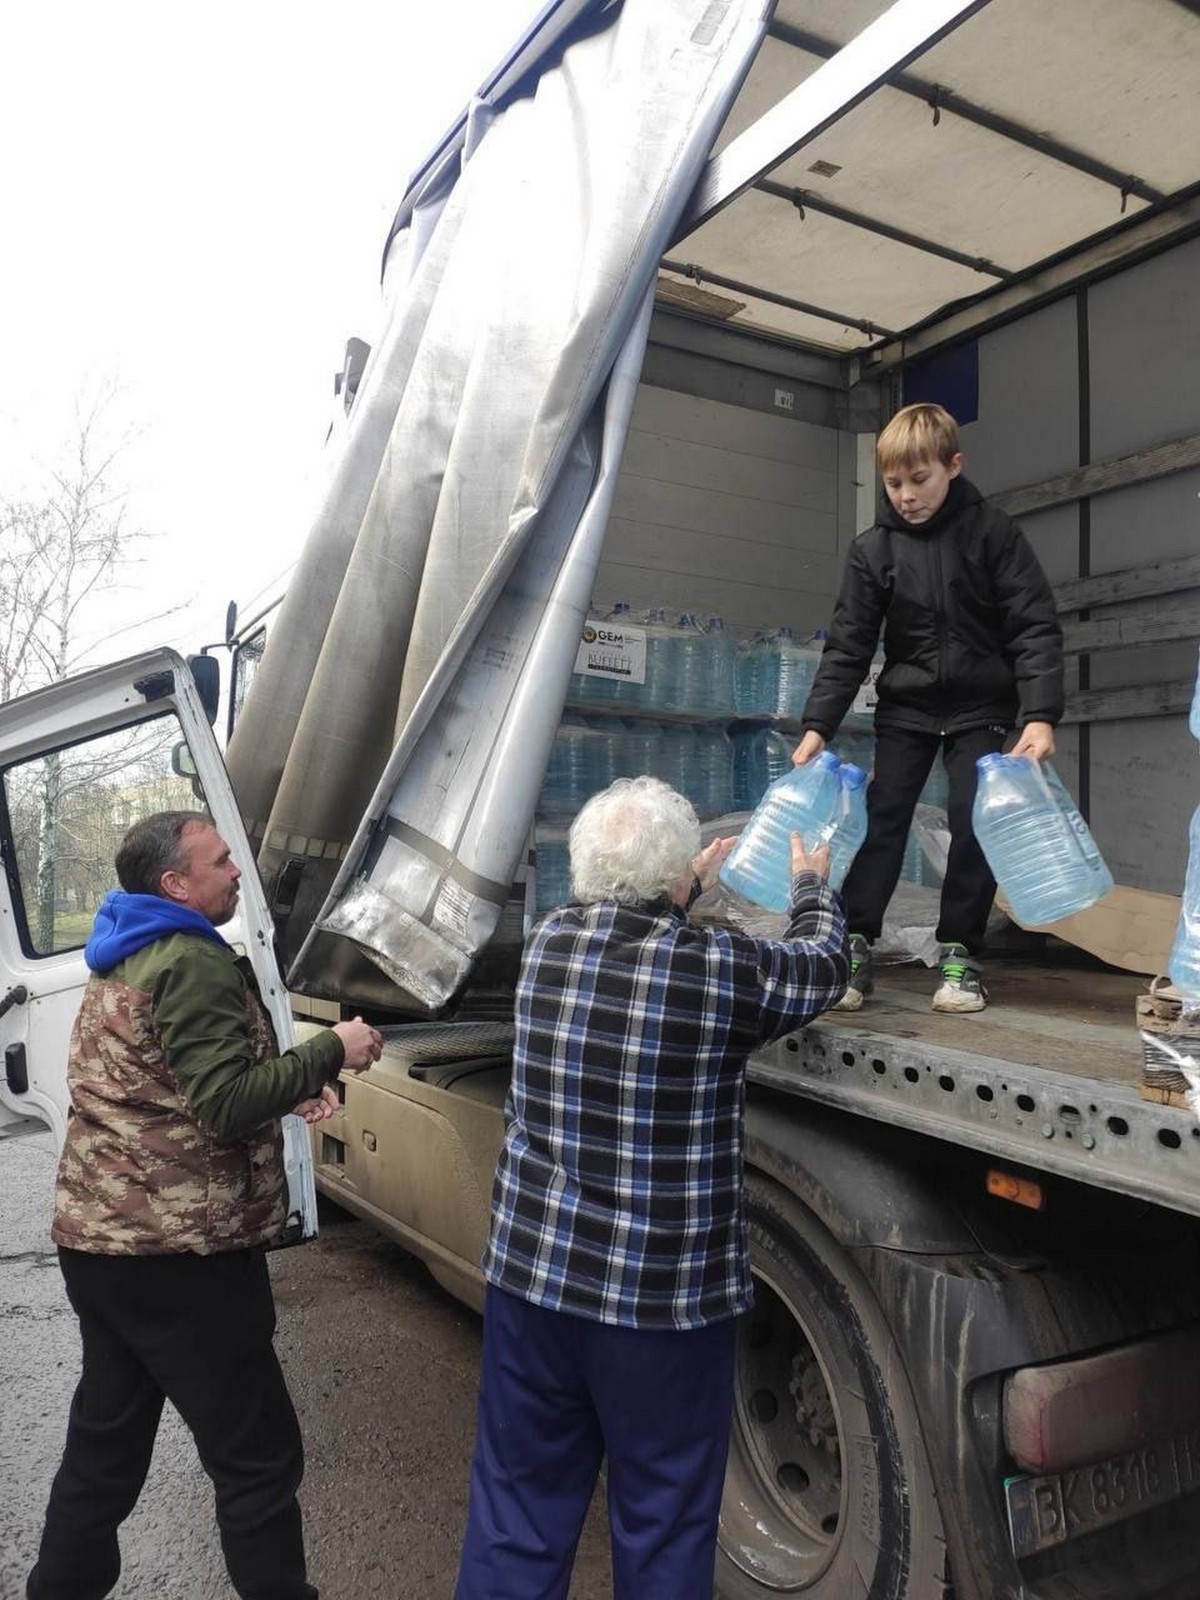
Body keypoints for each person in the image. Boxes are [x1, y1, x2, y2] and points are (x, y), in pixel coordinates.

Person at [455, 776, 849, 1600]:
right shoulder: (717, 972)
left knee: (517, 1510)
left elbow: (636, 923)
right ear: (676, 884)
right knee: (663, 1516)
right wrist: (811, 883)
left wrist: (686, 882)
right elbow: (818, 968)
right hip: (656, 1306)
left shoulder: (547, 946)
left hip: (534, 1285)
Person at [26, 810, 384, 1600]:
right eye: (220, 862)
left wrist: (289, 1091)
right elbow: (222, 1104)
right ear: (175, 884)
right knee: (257, 1457)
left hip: (104, 1245)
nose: (236, 872)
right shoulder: (189, 960)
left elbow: (170, 1086)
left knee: (104, 1450)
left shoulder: (129, 945)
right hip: (178, 1256)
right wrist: (332, 1050)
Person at [792, 401, 1064, 1014]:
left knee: (975, 819)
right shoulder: (873, 551)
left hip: (981, 707)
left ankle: (960, 957)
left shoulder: (993, 533)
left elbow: (1034, 625)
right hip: (908, 710)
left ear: (954, 466)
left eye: (921, 480)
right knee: (880, 820)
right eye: (894, 484)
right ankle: (853, 945)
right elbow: (849, 644)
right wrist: (819, 725)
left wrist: (1040, 713)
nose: (907, 495)